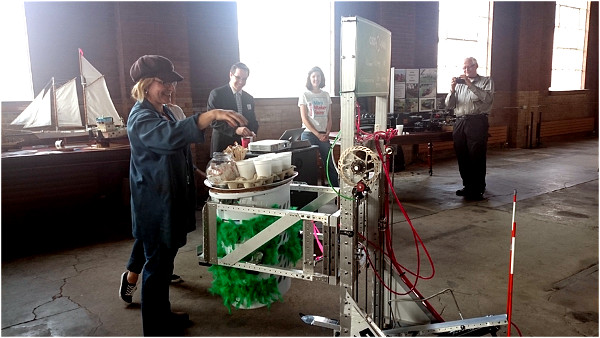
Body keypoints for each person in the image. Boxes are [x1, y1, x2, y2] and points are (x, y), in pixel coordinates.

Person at [126, 54, 247, 336]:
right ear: (145, 84)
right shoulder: (140, 117)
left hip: (168, 201)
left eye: (171, 83)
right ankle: (155, 328)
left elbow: (175, 148)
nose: (170, 88)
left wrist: (200, 172)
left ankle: (163, 315)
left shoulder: (163, 111)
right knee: (156, 268)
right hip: (153, 205)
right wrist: (211, 114)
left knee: (164, 264)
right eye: (163, 82)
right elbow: (169, 137)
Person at [445, 57, 495, 201]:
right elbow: (449, 104)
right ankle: (468, 186)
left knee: (476, 155)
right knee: (462, 154)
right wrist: (452, 89)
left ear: (476, 66)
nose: (466, 71)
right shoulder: (460, 85)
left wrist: (470, 84)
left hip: (477, 121)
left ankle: (478, 188)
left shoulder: (486, 81)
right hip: (460, 121)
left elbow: (487, 99)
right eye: (464, 68)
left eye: (469, 67)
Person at [298, 66, 339, 187]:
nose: (316, 79)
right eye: (313, 76)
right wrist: (317, 134)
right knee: (309, 164)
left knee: (329, 163)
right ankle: (310, 191)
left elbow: (329, 117)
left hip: (324, 134)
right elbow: (304, 119)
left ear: (322, 78)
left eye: (318, 76)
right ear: (310, 79)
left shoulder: (326, 95)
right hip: (309, 133)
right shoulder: (305, 95)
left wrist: (327, 132)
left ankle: (335, 190)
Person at [207, 62, 259, 154]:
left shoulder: (249, 98)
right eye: (238, 77)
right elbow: (213, 121)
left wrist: (253, 132)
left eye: (244, 79)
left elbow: (252, 120)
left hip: (243, 148)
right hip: (223, 147)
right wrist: (235, 130)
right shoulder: (217, 94)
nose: (241, 82)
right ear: (231, 75)